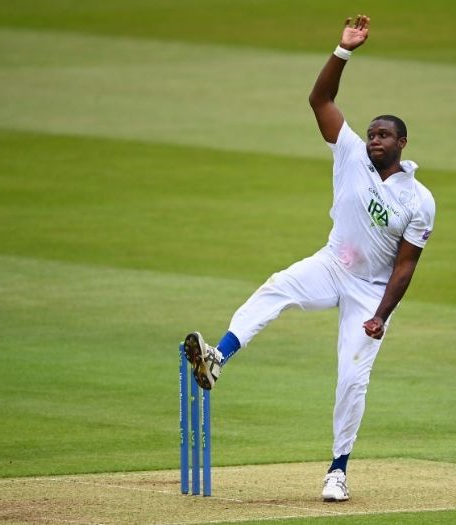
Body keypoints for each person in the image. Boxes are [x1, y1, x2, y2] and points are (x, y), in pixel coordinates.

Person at [183, 14, 435, 502]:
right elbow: (320, 99)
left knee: (351, 378)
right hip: (332, 263)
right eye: (371, 133)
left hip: (370, 292)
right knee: (276, 286)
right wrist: (343, 52)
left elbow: (406, 265)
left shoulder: (420, 200)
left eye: (384, 135)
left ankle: (337, 469)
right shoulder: (350, 153)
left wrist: (381, 316)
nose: (374, 139)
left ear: (403, 142)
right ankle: (218, 357)